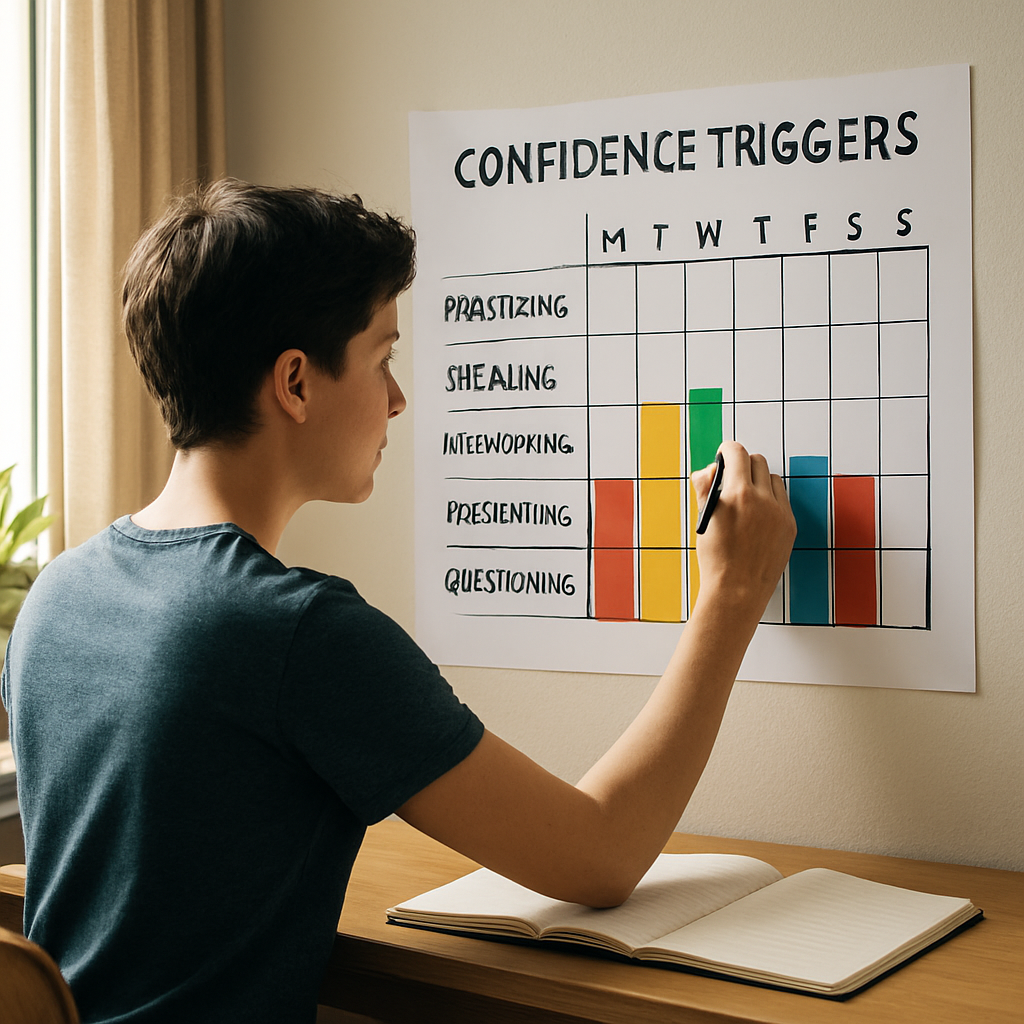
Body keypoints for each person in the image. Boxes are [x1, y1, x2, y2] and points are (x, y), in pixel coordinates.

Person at [1, 179, 795, 1024]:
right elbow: (598, 856)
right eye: (382, 357)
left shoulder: (56, 595)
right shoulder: (292, 630)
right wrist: (731, 593)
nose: (398, 398)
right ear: (296, 384)